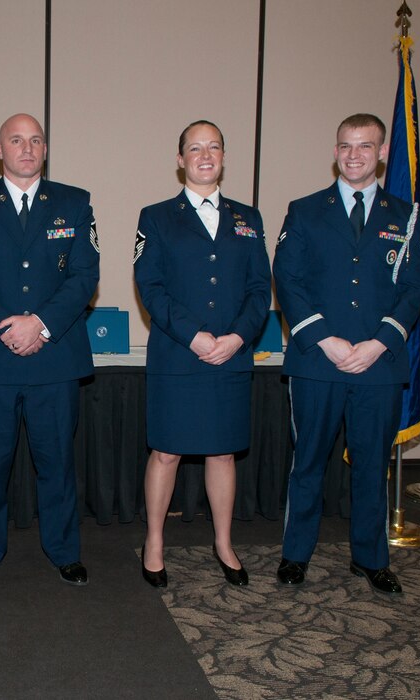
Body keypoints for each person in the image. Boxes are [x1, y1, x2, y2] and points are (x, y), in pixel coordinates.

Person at [273, 113, 420, 595]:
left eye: (365, 146)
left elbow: (414, 287)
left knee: (370, 464)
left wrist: (380, 342)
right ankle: (295, 554)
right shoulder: (304, 210)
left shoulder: (406, 216)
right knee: (309, 463)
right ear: (335, 151)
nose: (354, 154)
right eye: (345, 146)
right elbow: (288, 280)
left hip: (378, 365)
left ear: (382, 153)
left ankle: (370, 557)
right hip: (318, 361)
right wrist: (326, 339)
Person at [0, 113, 99, 586]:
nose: (26, 148)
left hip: (55, 358)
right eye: (16, 140)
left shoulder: (74, 203)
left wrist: (42, 325)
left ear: (45, 149)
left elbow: (84, 276)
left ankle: (63, 550)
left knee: (57, 463)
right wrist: (6, 329)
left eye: (35, 140)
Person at [133, 120, 271, 588]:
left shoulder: (248, 218)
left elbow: (259, 289)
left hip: (231, 354)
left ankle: (224, 543)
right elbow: (150, 288)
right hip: (177, 354)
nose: (205, 155)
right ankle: (154, 542)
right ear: (180, 160)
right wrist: (193, 336)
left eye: (213, 147)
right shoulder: (155, 217)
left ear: (224, 156)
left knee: (223, 454)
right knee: (166, 452)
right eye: (195, 148)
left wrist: (237, 338)